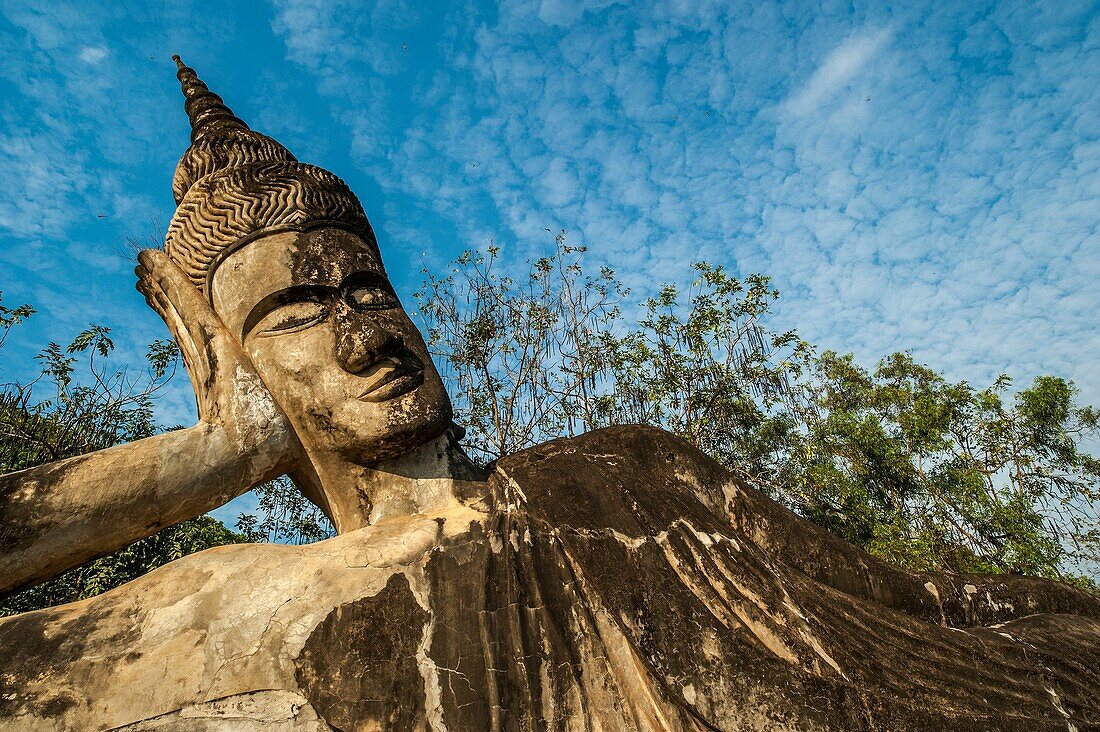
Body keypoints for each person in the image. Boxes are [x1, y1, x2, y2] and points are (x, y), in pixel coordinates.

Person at [1, 58, 1097, 731]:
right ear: (226, 357)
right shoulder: (225, 604)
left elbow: (923, 611)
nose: (365, 330)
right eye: (298, 310)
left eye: (370, 286)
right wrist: (218, 448)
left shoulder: (622, 473)